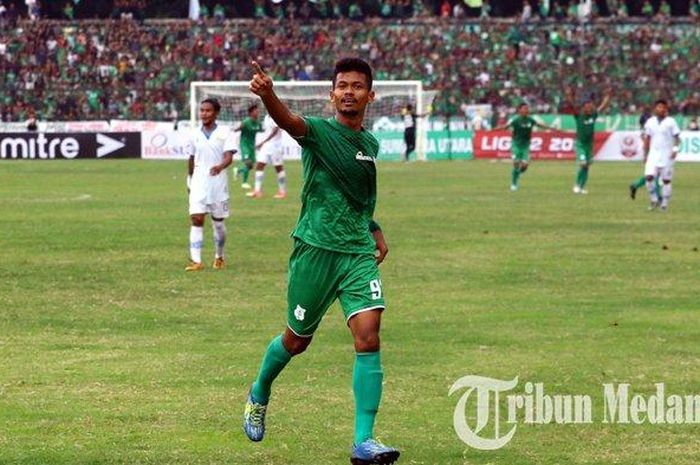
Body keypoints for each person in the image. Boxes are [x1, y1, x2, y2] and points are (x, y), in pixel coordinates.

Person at [243, 58, 400, 465]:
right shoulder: (318, 132)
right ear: (332, 94)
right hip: (314, 250)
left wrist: (375, 228)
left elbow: (359, 199)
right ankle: (260, 390)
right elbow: (291, 122)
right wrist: (268, 95)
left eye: (357, 86)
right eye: (342, 85)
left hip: (356, 255)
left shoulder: (371, 145)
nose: (349, 91)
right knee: (296, 340)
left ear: (370, 95)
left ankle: (364, 442)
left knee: (369, 336)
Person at [185, 98, 235, 271]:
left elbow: (229, 157)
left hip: (218, 184)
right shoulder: (193, 134)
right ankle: (196, 261)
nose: (204, 114)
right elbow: (191, 159)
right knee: (196, 219)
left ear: (216, 113)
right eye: (202, 110)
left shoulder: (224, 132)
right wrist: (189, 181)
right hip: (199, 182)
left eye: (208, 110)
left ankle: (219, 256)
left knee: (218, 222)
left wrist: (220, 166)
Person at [492, 103, 559, 191]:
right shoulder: (516, 120)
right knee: (516, 163)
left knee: (525, 165)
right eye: (524, 108)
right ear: (519, 110)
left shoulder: (530, 120)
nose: (526, 110)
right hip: (516, 144)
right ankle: (514, 184)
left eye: (527, 109)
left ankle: (518, 173)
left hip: (525, 146)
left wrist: (551, 128)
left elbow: (539, 125)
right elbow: (505, 127)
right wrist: (493, 129)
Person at [642, 99, 681, 211]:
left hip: (667, 155)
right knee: (649, 177)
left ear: (666, 109)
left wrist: (675, 150)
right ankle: (654, 199)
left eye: (663, 107)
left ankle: (664, 203)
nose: (661, 109)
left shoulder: (671, 121)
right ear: (655, 108)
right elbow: (647, 138)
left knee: (666, 180)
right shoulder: (650, 122)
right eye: (659, 107)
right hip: (653, 155)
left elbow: (677, 138)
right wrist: (645, 154)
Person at [572, 90, 611, 194]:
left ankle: (581, 187)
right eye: (587, 106)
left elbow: (602, 107)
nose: (589, 108)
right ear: (583, 107)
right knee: (583, 163)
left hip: (589, 145)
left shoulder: (593, 115)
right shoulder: (578, 116)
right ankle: (576, 185)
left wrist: (607, 97)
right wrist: (570, 95)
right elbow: (572, 106)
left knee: (587, 167)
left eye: (591, 106)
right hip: (580, 144)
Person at [246, 113, 287, 199]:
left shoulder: (276, 115)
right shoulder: (266, 117)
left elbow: (275, 131)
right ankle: (257, 191)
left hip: (275, 146)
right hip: (267, 146)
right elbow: (266, 130)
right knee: (259, 165)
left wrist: (263, 142)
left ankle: (282, 191)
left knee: (278, 168)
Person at [234, 104, 263, 190]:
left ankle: (238, 170)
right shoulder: (246, 121)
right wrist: (236, 129)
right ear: (251, 112)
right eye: (256, 110)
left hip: (252, 145)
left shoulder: (258, 122)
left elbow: (261, 130)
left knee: (250, 166)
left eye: (258, 110)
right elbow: (238, 129)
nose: (258, 112)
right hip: (244, 144)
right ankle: (244, 183)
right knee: (248, 162)